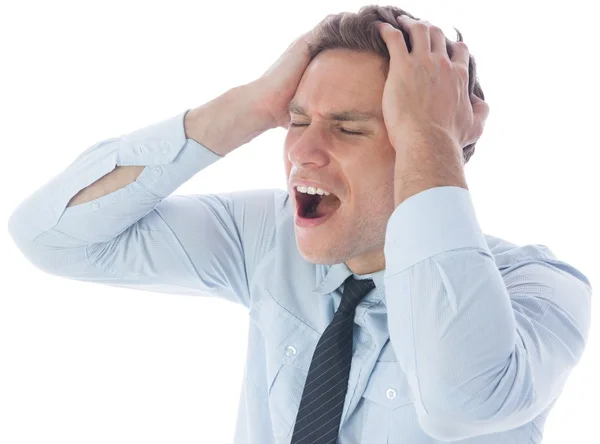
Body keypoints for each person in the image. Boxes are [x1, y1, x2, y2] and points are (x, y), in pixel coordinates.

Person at [7, 4, 592, 444]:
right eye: (296, 122)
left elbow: (460, 401)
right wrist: (256, 103)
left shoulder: (540, 288)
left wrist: (430, 135)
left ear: (430, 145)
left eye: (349, 127)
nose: (302, 153)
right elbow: (52, 237)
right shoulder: (270, 236)